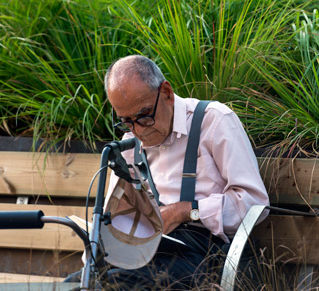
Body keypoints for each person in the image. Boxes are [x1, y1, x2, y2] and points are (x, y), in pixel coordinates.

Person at [66, 55, 269, 289]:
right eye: (126, 121)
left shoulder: (213, 121)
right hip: (143, 257)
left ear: (166, 93)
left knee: (115, 285)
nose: (138, 130)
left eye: (144, 116)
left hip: (202, 256)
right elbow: (117, 218)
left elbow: (254, 204)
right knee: (74, 285)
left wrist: (185, 211)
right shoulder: (129, 144)